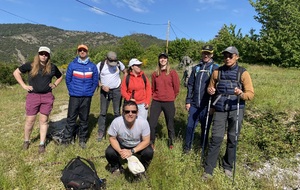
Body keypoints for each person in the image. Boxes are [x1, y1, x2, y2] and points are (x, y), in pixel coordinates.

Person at [203, 46, 254, 179]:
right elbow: (210, 87)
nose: (227, 58)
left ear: (236, 56)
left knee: (233, 139)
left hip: (236, 109)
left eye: (230, 56)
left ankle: (227, 167)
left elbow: (250, 94)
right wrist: (210, 91)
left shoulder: (243, 73)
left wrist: (241, 94)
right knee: (216, 139)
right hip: (220, 109)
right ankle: (208, 170)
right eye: (225, 56)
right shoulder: (216, 71)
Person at [13, 46, 63, 154]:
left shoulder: (52, 67)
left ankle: (41, 143)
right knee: (30, 120)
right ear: (38, 54)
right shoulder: (30, 65)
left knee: (44, 121)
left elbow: (60, 76)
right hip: (33, 96)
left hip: (47, 96)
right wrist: (24, 86)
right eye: (42, 53)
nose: (43, 56)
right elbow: (16, 73)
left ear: (48, 56)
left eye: (46, 54)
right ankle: (26, 141)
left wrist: (55, 84)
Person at [183, 45, 219, 154]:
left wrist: (213, 105)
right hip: (194, 104)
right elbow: (190, 85)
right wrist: (188, 101)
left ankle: (202, 149)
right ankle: (187, 149)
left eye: (208, 53)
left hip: (207, 105)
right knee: (190, 127)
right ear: (202, 54)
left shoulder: (215, 68)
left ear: (212, 54)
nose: (206, 55)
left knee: (205, 129)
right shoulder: (196, 68)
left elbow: (218, 87)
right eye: (204, 53)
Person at [105, 101, 154, 178]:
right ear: (123, 112)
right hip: (122, 145)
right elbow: (112, 138)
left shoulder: (143, 122)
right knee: (109, 152)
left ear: (137, 113)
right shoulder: (116, 122)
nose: (130, 114)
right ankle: (116, 168)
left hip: (138, 144)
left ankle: (141, 170)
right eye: (127, 111)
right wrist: (120, 151)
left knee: (149, 152)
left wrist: (132, 151)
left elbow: (146, 141)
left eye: (133, 111)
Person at [63, 44, 98, 149]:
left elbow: (95, 81)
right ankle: (67, 139)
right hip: (75, 96)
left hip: (87, 96)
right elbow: (68, 80)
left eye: (84, 50)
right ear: (77, 52)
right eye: (80, 50)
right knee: (71, 118)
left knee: (84, 119)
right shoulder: (72, 65)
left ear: (87, 52)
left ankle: (82, 139)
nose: (82, 52)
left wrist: (90, 92)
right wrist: (72, 90)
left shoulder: (92, 66)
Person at [149, 52, 180, 149]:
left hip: (169, 101)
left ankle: (171, 143)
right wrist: (155, 96)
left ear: (167, 60)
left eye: (165, 58)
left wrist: (171, 96)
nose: (163, 60)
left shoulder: (172, 72)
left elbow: (176, 88)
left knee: (170, 124)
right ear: (158, 60)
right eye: (161, 58)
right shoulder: (155, 74)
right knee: (152, 124)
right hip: (156, 101)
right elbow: (153, 88)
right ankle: (151, 142)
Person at [97, 51, 126, 142]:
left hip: (117, 90)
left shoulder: (119, 64)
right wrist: (101, 85)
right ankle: (101, 132)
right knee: (103, 112)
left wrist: (123, 84)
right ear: (106, 58)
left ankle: (118, 132)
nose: (113, 64)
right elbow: (95, 77)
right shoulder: (100, 65)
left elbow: (125, 72)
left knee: (117, 112)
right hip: (105, 91)